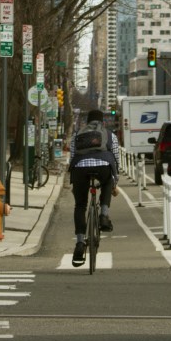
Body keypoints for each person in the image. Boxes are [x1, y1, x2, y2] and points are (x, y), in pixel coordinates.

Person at [68, 108, 120, 267]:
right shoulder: (110, 135)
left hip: (80, 169)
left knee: (80, 205)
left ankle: (79, 243)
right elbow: (116, 159)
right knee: (106, 182)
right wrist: (114, 181)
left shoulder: (77, 135)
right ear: (102, 121)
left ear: (87, 122)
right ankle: (104, 215)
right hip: (104, 166)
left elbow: (71, 158)